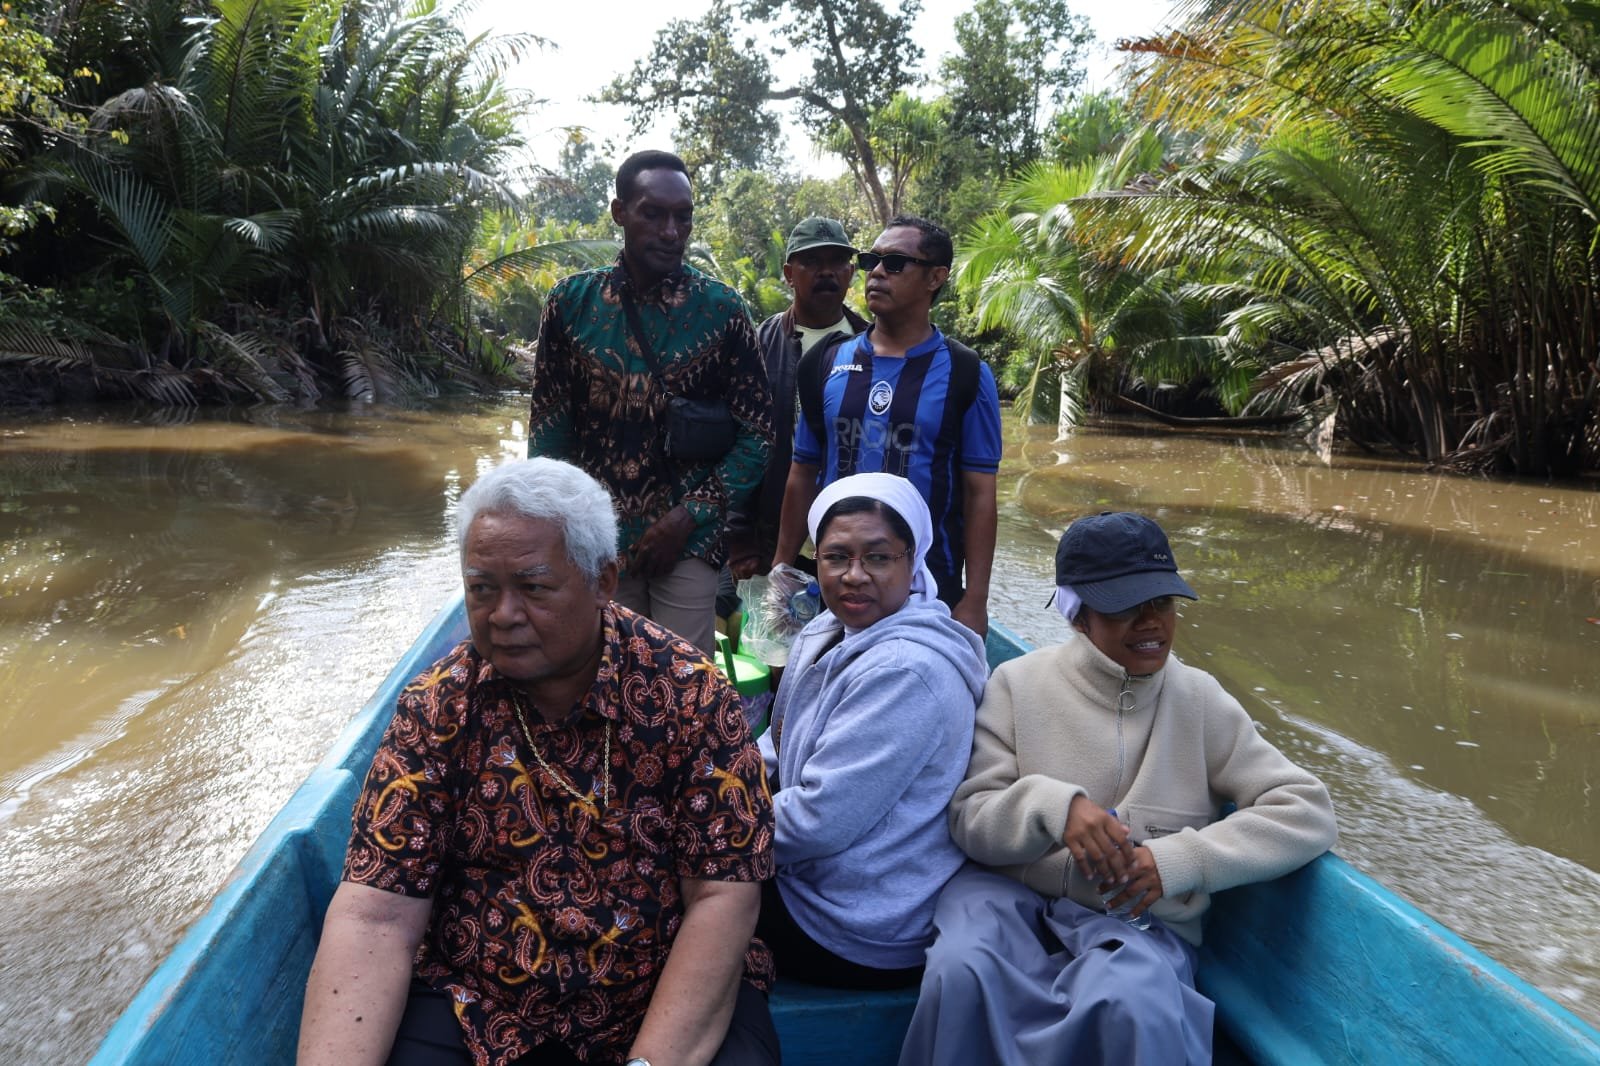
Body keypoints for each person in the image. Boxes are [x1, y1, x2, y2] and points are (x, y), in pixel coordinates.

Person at [298, 458, 778, 1066]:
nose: (502, 615)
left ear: (603, 582)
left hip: (660, 984)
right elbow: (377, 910)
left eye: (533, 587)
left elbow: (722, 893)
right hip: (481, 1001)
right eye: (482, 589)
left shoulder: (692, 696)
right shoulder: (438, 707)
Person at [900, 511, 1338, 1065]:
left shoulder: (1199, 700)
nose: (1150, 622)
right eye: (1125, 606)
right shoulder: (1016, 685)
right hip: (1008, 898)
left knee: (1131, 999)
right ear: (1078, 614)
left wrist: (1179, 860)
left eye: (1162, 603)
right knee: (962, 968)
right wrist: (1053, 808)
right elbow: (971, 819)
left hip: (1136, 920)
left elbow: (1307, 810)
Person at [528, 149, 772, 654]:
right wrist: (558, 531)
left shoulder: (723, 310)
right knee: (604, 671)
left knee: (682, 682)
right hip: (597, 537)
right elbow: (549, 434)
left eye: (683, 216)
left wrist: (688, 516)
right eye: (653, 213)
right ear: (620, 212)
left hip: (691, 539)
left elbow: (759, 434)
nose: (670, 231)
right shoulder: (572, 304)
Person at [755, 472, 987, 989]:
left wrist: (700, 830)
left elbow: (818, 820)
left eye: (879, 557)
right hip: (814, 874)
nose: (854, 575)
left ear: (913, 559)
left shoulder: (906, 671)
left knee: (665, 894)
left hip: (855, 923)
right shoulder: (827, 629)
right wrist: (713, 786)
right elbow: (776, 738)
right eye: (837, 557)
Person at [770, 215, 1001, 637]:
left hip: (928, 585)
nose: (876, 272)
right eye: (871, 261)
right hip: (838, 576)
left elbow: (979, 493)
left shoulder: (966, 372)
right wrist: (782, 568)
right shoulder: (824, 362)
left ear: (936, 277)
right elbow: (803, 471)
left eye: (894, 263)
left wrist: (977, 599)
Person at [725, 217, 869, 581]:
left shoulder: (872, 346)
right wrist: (738, 533)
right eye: (811, 262)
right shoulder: (759, 344)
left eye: (837, 262)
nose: (826, 272)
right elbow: (738, 440)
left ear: (851, 272)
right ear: (789, 273)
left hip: (853, 532)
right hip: (772, 533)